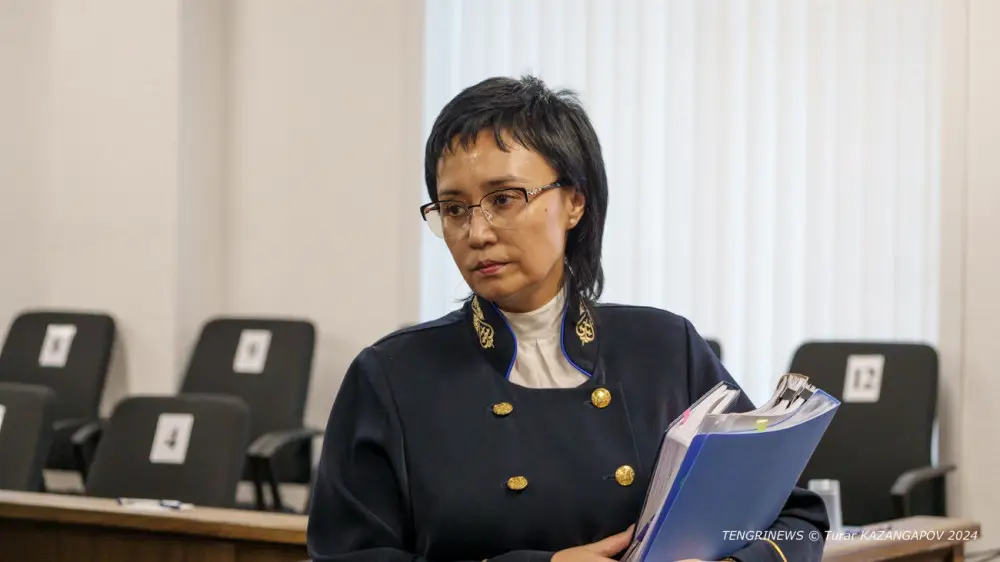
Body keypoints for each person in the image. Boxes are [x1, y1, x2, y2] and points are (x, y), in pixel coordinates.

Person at [306, 75, 828, 562]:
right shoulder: (392, 377)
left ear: (574, 201)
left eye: (504, 199)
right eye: (455, 209)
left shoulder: (666, 348)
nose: (477, 233)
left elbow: (795, 521)